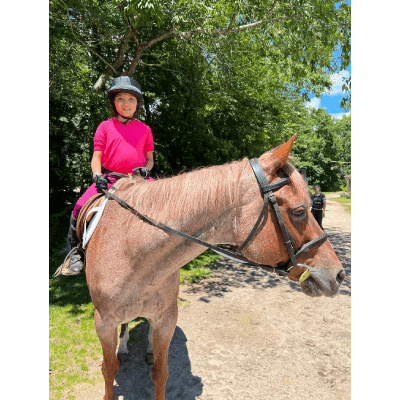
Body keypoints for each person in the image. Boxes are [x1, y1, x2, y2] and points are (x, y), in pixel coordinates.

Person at [66, 76, 154, 274]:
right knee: (79, 206)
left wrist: (146, 169)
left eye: (131, 99)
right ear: (114, 102)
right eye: (121, 99)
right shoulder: (105, 127)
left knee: (166, 201)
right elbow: (96, 157)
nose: (126, 104)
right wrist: (97, 175)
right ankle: (75, 251)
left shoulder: (145, 129)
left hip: (138, 179)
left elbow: (150, 159)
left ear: (137, 104)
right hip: (110, 178)